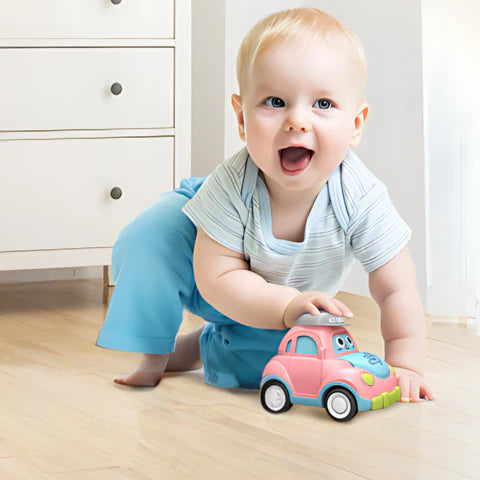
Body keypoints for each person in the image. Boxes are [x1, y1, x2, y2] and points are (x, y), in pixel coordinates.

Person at [96, 8, 434, 403]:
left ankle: (195, 349)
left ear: (356, 124)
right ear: (241, 118)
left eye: (323, 104)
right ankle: (155, 355)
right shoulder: (231, 186)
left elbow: (396, 288)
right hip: (212, 263)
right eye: (275, 101)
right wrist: (286, 303)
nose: (297, 121)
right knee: (151, 237)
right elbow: (217, 278)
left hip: (281, 291)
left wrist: (406, 363)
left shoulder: (360, 196)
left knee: (264, 371)